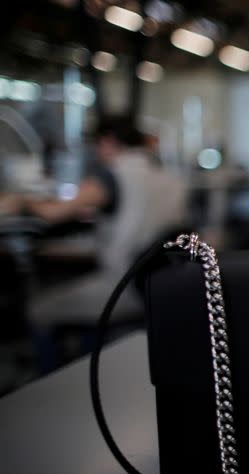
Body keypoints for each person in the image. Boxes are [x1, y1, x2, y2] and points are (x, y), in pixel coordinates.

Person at [27, 116, 188, 372]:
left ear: (109, 142)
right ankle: (87, 361)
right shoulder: (171, 178)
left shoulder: (112, 176)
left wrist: (20, 202)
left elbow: (53, 213)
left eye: (97, 146)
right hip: (163, 287)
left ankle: (48, 390)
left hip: (122, 287)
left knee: (38, 310)